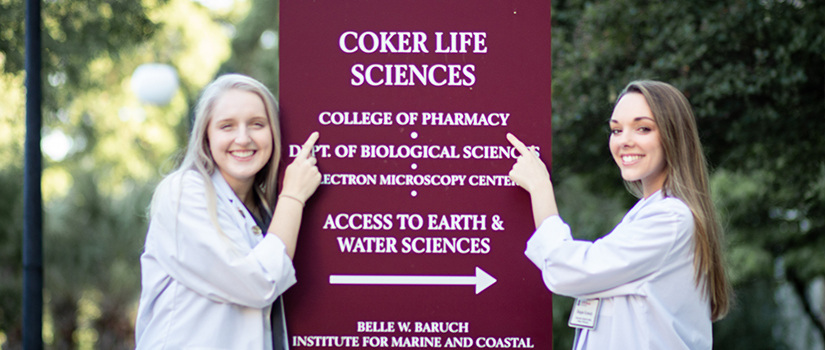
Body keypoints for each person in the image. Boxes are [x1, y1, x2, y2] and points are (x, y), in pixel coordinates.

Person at [507, 80, 732, 349]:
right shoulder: (647, 213)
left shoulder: (670, 219)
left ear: (673, 136)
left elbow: (568, 271)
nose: (624, 141)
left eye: (643, 128)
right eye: (616, 129)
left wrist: (540, 187)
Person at [135, 73, 321, 349]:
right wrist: (293, 196)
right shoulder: (183, 192)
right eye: (227, 126)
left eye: (257, 124)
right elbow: (258, 283)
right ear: (206, 135)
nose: (243, 138)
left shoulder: (262, 210)